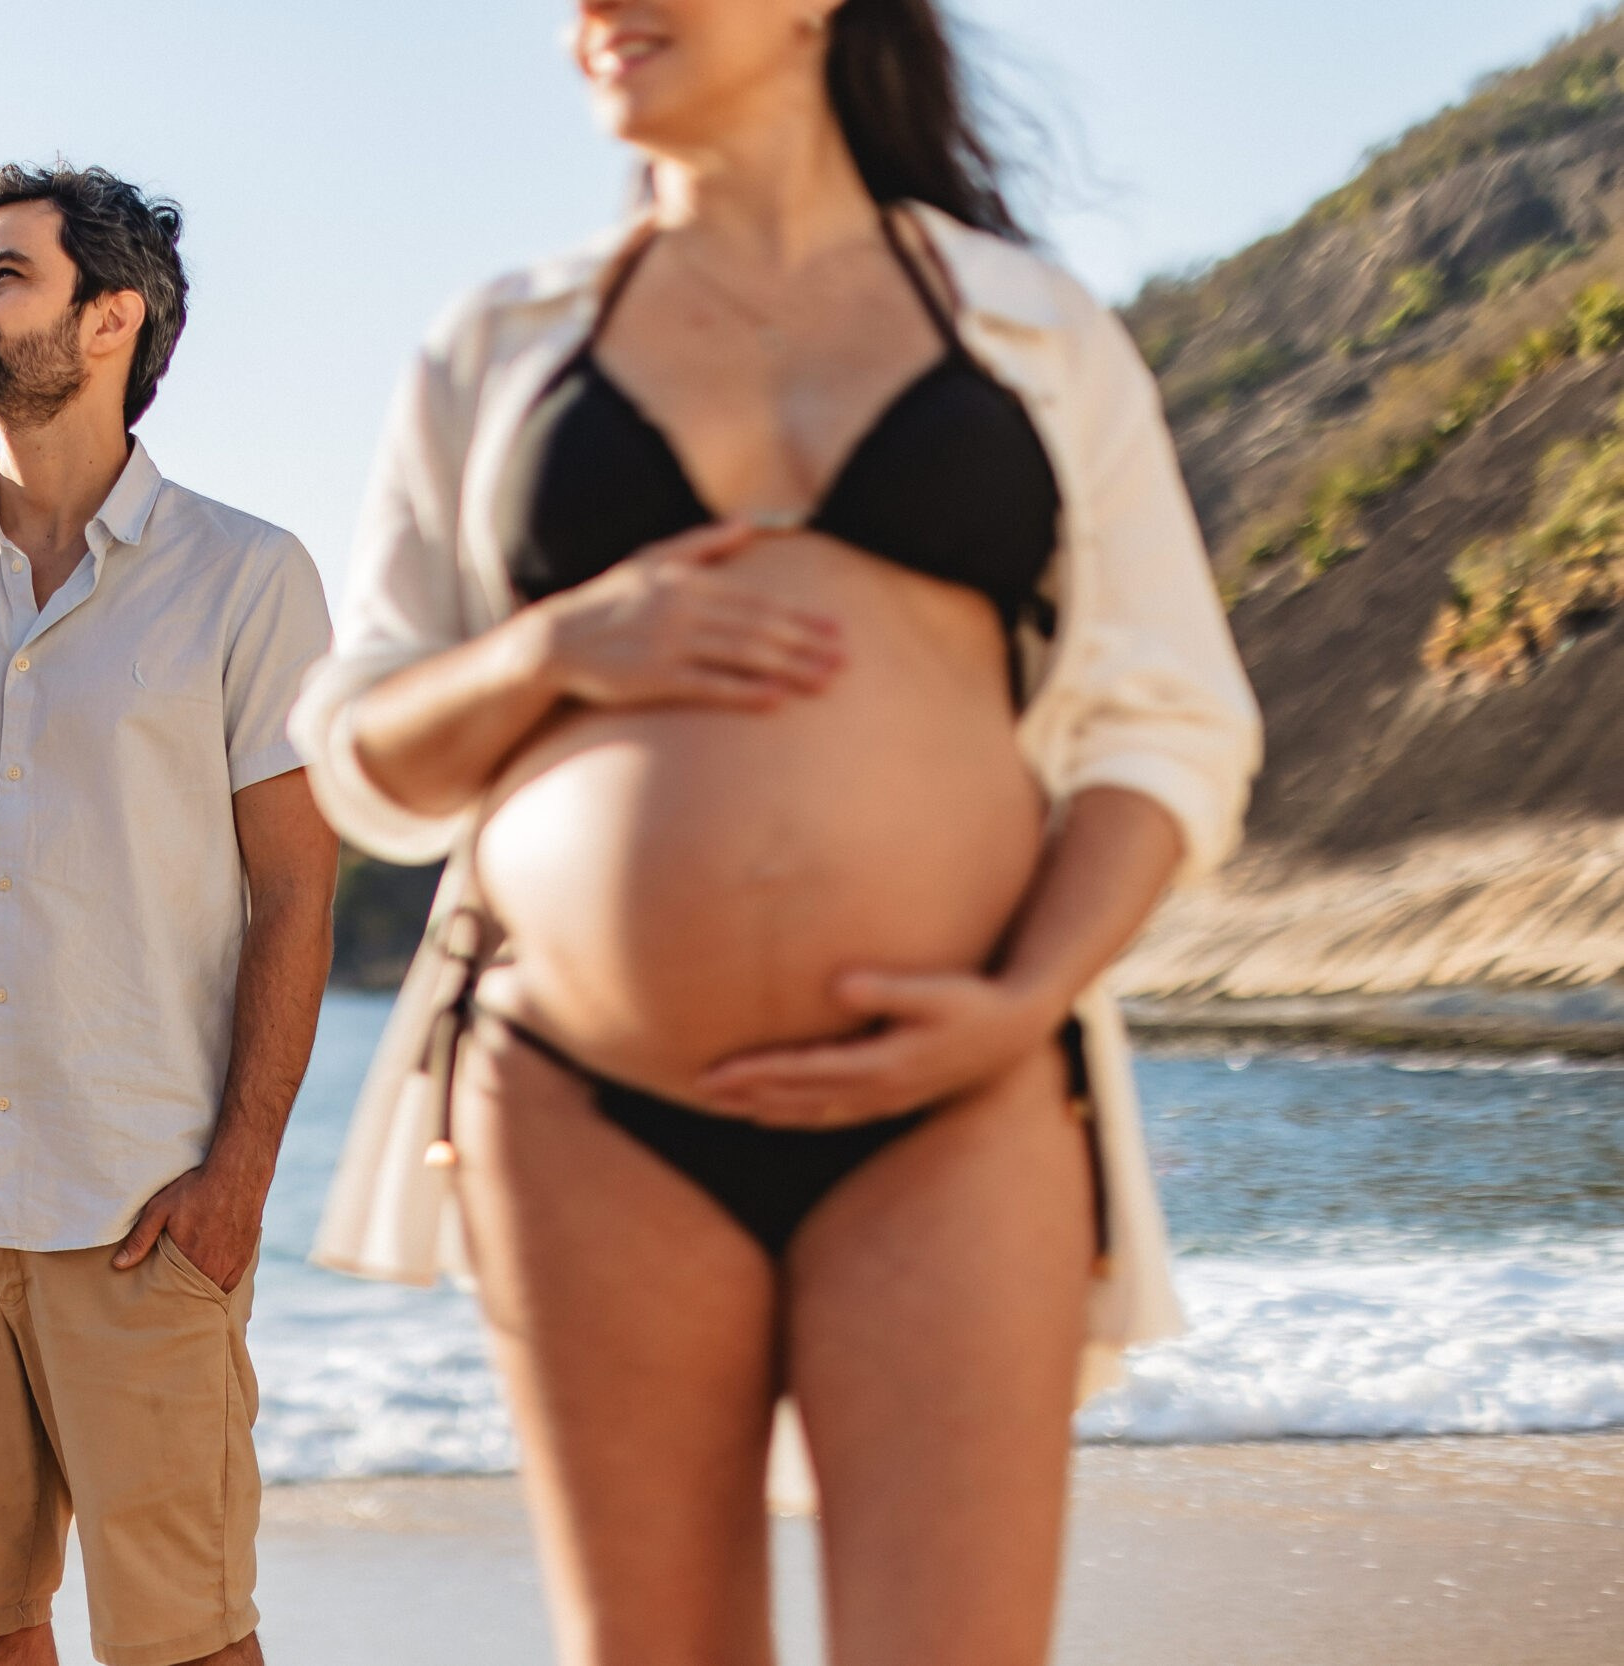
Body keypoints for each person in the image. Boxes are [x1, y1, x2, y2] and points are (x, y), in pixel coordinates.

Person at [292, 3, 1261, 1664]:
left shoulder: (1032, 329)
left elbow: (1167, 723)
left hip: (960, 1093)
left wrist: (1026, 997)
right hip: (579, 1099)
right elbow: (363, 753)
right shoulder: (500, 342)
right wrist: (553, 646)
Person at [0, 161, 336, 1666]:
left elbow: (298, 889)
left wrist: (238, 1174)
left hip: (139, 1198)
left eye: (5, 274)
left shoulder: (248, 577)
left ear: (111, 321)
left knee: (185, 1639)